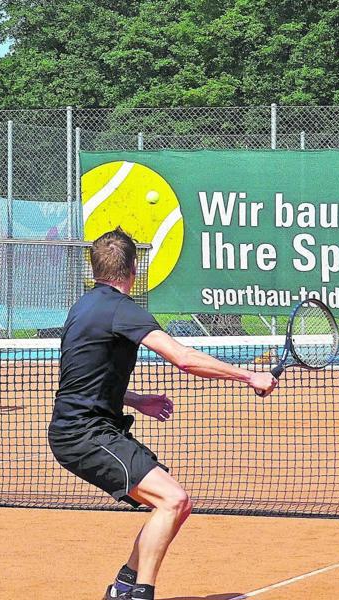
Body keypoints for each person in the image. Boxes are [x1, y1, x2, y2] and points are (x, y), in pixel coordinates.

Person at [48, 228, 276, 600]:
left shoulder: (83, 307)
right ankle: (140, 593)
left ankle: (123, 587)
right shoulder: (121, 309)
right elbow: (183, 358)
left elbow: (87, 376)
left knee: (171, 505)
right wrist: (249, 374)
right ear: (134, 269)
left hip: (84, 428)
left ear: (94, 271)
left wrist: (135, 400)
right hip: (84, 434)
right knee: (174, 501)